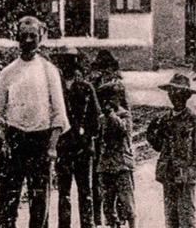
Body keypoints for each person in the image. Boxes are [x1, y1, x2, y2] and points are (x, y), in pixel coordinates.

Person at [0, 15, 69, 228]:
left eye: (33, 36)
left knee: (39, 201)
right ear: (17, 38)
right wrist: (5, 141)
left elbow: (59, 115)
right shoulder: (7, 73)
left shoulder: (49, 71)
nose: (28, 41)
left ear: (41, 38)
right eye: (24, 36)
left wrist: (52, 146)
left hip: (40, 142)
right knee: (7, 200)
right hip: (14, 141)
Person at [145, 74, 196, 228]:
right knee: (171, 216)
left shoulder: (193, 119)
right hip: (168, 172)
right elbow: (159, 145)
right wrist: (152, 133)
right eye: (172, 93)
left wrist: (192, 168)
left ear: (186, 96)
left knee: (186, 217)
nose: (175, 97)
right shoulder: (165, 119)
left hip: (185, 174)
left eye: (180, 94)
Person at [54, 49, 99, 228]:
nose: (67, 67)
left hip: (83, 147)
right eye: (64, 63)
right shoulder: (55, 89)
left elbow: (95, 120)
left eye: (70, 62)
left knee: (85, 191)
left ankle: (87, 225)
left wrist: (86, 136)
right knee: (63, 192)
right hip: (62, 147)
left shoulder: (86, 88)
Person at [89, 49, 127, 227]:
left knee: (119, 178)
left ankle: (119, 216)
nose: (105, 72)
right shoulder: (94, 84)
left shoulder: (118, 86)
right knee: (99, 179)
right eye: (102, 68)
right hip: (99, 134)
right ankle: (99, 218)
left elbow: (125, 112)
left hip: (116, 135)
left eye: (108, 68)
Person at [97, 85, 136, 228]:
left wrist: (111, 115)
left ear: (118, 98)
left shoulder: (125, 115)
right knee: (108, 204)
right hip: (106, 165)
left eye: (111, 98)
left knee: (127, 203)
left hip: (122, 164)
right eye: (105, 99)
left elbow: (123, 130)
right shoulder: (102, 117)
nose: (108, 101)